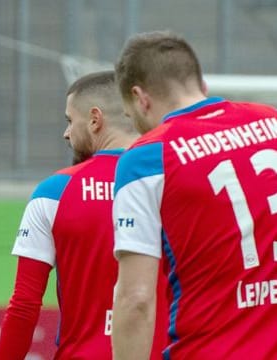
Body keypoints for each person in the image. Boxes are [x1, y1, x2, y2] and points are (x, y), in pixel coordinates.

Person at [112, 30, 277, 360]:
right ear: (202, 86)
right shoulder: (271, 121)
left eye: (132, 117)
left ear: (140, 98)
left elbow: (137, 299)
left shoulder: (145, 159)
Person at [0, 71, 168, 359]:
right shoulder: (169, 182)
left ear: (94, 119)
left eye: (69, 120)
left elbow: (24, 304)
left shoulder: (53, 193)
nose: (66, 133)